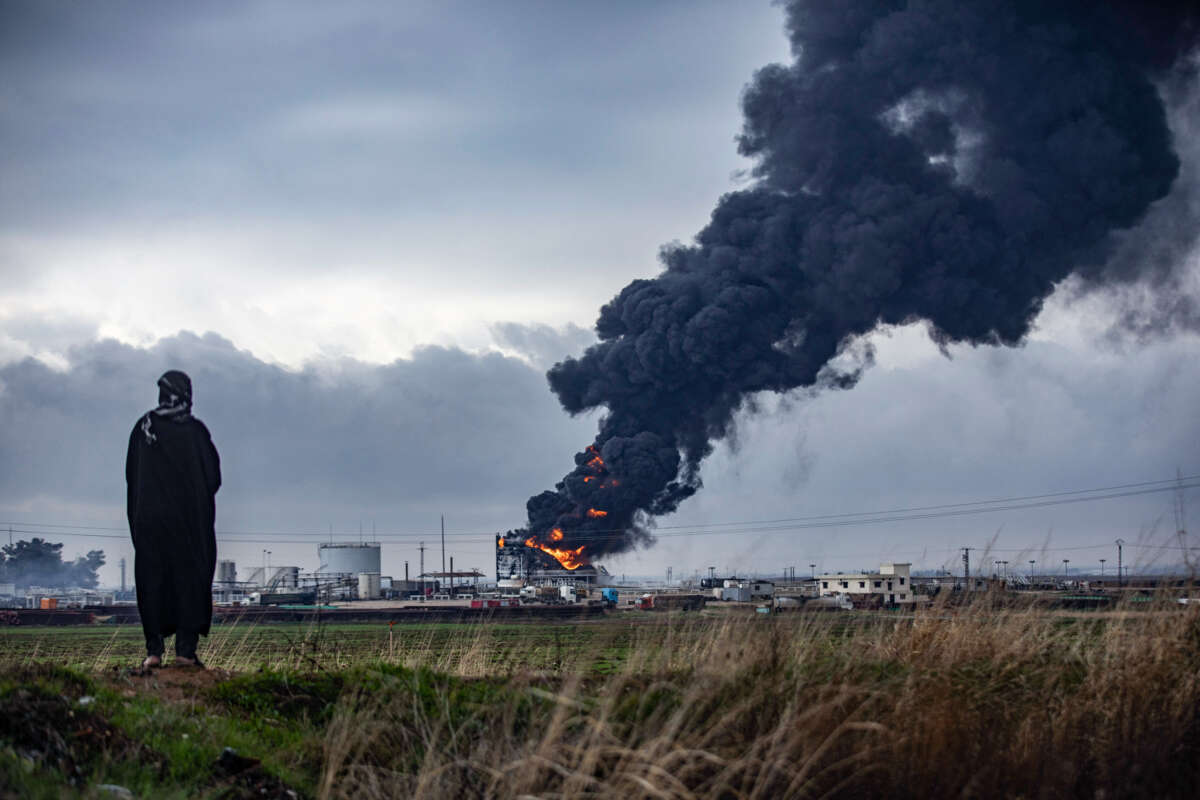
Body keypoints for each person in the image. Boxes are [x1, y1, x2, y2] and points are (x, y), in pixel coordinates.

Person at [126, 370, 221, 668]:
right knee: (189, 581)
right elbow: (213, 478)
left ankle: (153, 652)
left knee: (153, 580)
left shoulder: (144, 428)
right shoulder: (194, 432)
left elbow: (131, 476)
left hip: (150, 524)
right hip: (187, 526)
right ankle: (184, 651)